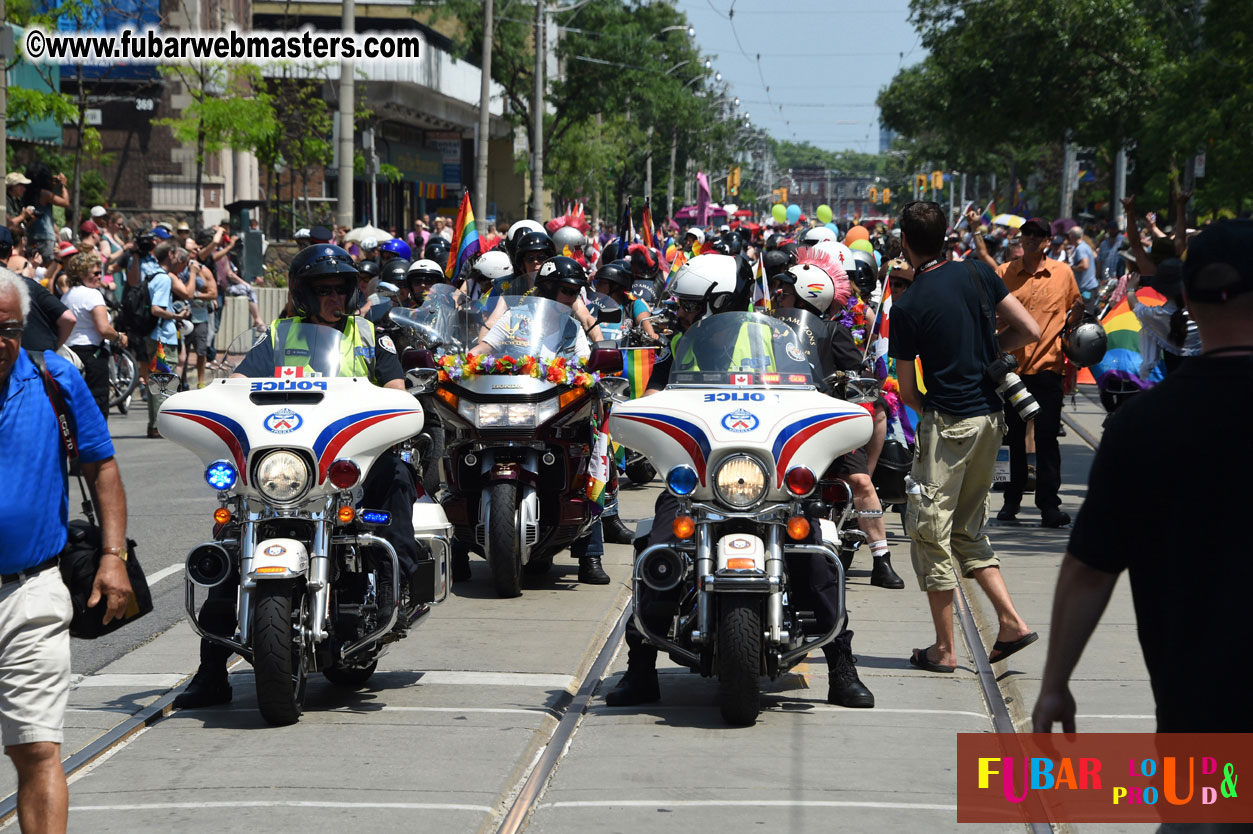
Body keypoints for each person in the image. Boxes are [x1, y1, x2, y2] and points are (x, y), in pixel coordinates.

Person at [606, 260, 876, 709]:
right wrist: (639, 413)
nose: (682, 314)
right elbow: (654, 394)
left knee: (817, 558)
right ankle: (640, 668)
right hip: (699, 487)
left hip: (771, 485)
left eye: (691, 306)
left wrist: (838, 404)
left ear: (719, 301)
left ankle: (841, 665)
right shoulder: (682, 345)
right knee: (657, 551)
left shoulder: (777, 340)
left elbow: (813, 388)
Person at [175, 243, 421, 710]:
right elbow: (234, 388)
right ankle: (210, 673)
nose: (334, 297)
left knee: (398, 470)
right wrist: (205, 398)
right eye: (322, 289)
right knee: (234, 537)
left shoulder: (371, 336)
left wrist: (394, 404)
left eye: (341, 288)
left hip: (350, 463)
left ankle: (397, 584)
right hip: (288, 467)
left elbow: (396, 390)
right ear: (303, 293)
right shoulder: (276, 337)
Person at [1033, 219, 1253, 735]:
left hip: (1198, 720)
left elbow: (1090, 569)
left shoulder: (1142, 426)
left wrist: (1054, 683)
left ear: (1187, 305)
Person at [0, 267, 132, 834]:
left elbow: (101, 466)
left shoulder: (52, 376)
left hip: (29, 592)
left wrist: (113, 556)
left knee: (36, 750)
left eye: (7, 327)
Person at [887, 201, 1042, 673]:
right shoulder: (978, 272)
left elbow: (908, 389)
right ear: (946, 238)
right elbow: (1030, 329)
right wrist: (989, 350)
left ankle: (944, 649)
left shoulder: (908, 305)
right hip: (992, 420)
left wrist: (934, 414)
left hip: (949, 424)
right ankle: (1011, 623)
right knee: (967, 529)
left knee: (929, 532)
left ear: (905, 242)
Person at [774, 247, 905, 589]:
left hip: (825, 421)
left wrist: (857, 380)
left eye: (786, 291)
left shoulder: (833, 332)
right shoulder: (769, 329)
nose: (779, 296)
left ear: (805, 296)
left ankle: (881, 558)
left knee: (861, 482)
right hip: (780, 420)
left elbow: (858, 372)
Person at [994, 217, 1084, 528]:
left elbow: (1075, 310)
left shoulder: (1062, 273)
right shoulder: (1005, 273)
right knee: (1013, 439)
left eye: (1038, 235)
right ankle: (1011, 501)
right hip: (1012, 371)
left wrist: (1076, 325)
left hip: (1048, 369)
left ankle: (1049, 505)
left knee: (1046, 439)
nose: (1032, 239)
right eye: (1027, 234)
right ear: (1021, 239)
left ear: (1047, 240)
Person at [61, 251, 123, 418]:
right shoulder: (92, 295)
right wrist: (119, 337)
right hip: (92, 355)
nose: (99, 277)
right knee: (98, 403)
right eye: (95, 273)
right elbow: (103, 328)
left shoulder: (66, 296)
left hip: (71, 354)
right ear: (81, 274)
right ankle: (97, 442)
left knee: (77, 404)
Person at [144, 242, 192, 438]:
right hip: (162, 338)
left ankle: (154, 425)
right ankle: (159, 426)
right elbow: (157, 309)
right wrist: (177, 317)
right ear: (171, 254)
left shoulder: (151, 275)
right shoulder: (163, 279)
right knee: (164, 382)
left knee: (157, 381)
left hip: (153, 335)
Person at [1066, 226, 1097, 303]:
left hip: (1086, 289)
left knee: (1086, 313)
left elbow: (1085, 265)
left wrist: (1071, 268)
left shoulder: (1081, 248)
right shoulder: (1084, 246)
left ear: (1071, 236)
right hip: (1088, 287)